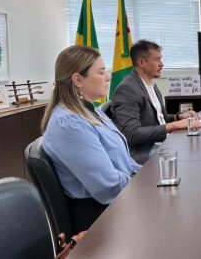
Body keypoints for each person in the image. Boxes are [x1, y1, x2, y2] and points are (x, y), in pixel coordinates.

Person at [42, 46, 141, 232]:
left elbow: (126, 164)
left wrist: (152, 177)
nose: (108, 77)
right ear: (78, 80)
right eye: (101, 72)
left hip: (119, 201)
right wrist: (147, 188)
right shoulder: (69, 123)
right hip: (100, 217)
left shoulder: (90, 110)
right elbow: (108, 185)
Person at [111, 40, 201, 164]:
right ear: (142, 62)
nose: (162, 64)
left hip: (160, 142)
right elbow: (133, 134)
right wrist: (176, 125)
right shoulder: (127, 89)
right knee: (192, 156)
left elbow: (155, 119)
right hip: (143, 151)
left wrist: (179, 116)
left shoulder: (150, 83)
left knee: (197, 147)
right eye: (157, 60)